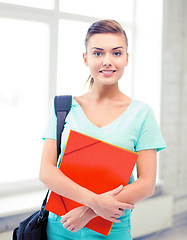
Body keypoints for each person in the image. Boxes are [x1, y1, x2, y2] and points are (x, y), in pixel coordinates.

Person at [39, 19, 166, 240]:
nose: (107, 61)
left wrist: (88, 212)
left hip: (111, 229)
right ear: (85, 58)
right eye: (98, 53)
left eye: (116, 53)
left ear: (127, 58)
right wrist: (94, 202)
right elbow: (46, 171)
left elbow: (146, 184)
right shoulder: (63, 107)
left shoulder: (142, 113)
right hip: (60, 225)